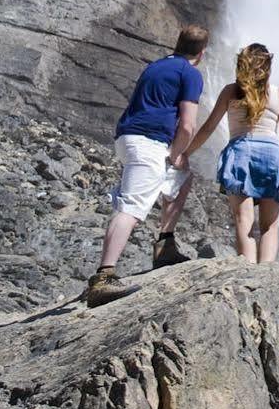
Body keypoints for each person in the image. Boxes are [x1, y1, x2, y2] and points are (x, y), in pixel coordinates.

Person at [83, 23, 209, 306]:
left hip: (129, 138)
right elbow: (188, 125)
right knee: (131, 208)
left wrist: (175, 158)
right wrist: (176, 152)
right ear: (201, 53)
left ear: (177, 43)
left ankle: (165, 244)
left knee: (181, 179)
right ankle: (104, 277)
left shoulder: (156, 66)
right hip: (148, 143)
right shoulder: (190, 73)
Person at [177, 42, 279, 263]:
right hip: (272, 156)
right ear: (268, 65)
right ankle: (267, 274)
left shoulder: (231, 90)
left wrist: (186, 152)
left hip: (241, 153)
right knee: (270, 225)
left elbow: (209, 127)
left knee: (244, 221)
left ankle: (247, 272)